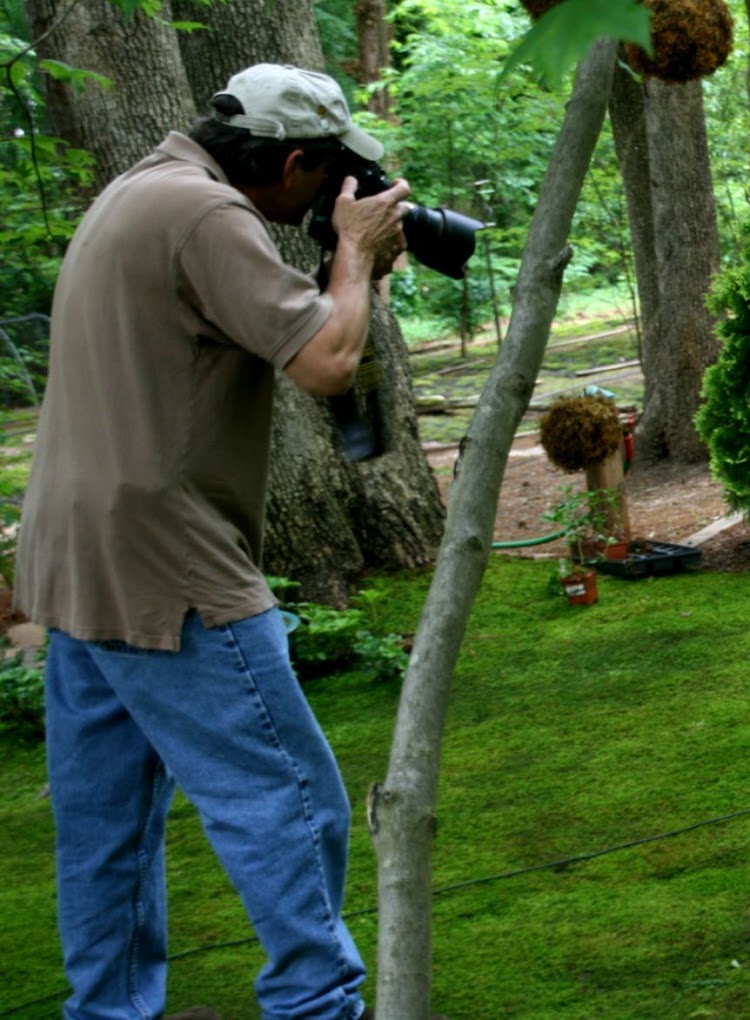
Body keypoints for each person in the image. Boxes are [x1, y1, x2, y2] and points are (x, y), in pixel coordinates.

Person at [16, 64, 410, 1020]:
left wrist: (340, 267)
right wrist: (353, 258)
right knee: (290, 799)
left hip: (72, 560)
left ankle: (106, 1011)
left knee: (106, 829)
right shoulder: (206, 216)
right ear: (292, 158)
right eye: (324, 180)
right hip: (169, 561)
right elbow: (326, 361)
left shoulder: (136, 193)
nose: (325, 199)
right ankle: (317, 1005)